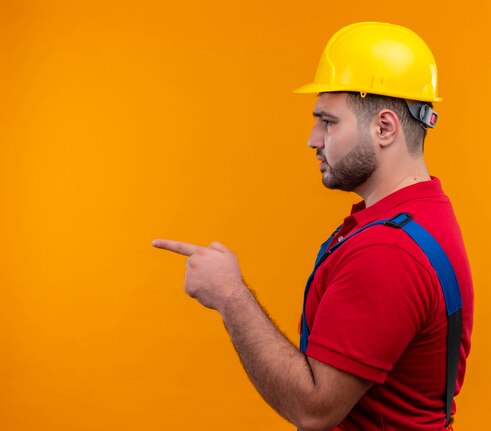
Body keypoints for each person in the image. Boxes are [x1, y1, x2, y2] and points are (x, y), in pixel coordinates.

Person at [153, 22, 474, 431]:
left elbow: (314, 410)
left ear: (385, 128)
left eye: (328, 122)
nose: (312, 138)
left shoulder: (388, 251)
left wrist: (229, 294)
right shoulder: (420, 212)